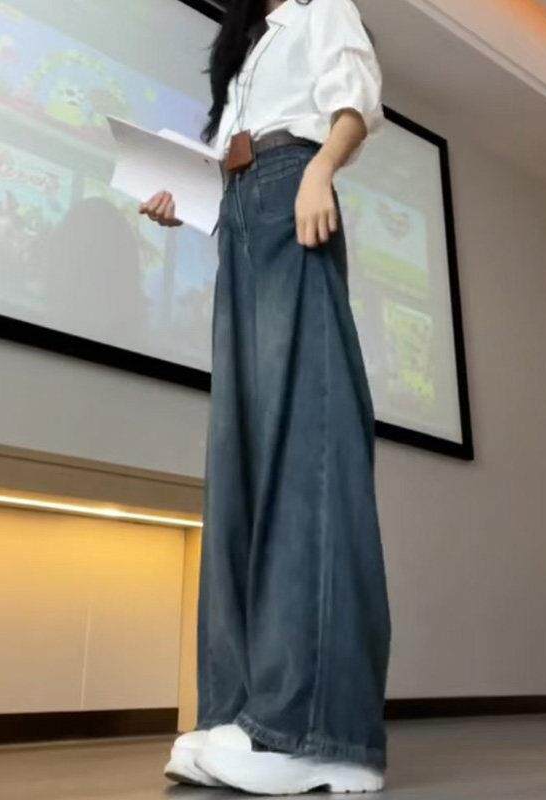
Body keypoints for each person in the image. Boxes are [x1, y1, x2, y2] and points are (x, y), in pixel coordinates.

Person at [141, 0, 391, 793]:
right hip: (241, 211)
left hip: (292, 190)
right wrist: (184, 203)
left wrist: (319, 172)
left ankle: (319, 731)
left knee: (306, 447)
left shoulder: (324, 8)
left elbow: (354, 99)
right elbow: (230, 158)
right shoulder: (249, 43)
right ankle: (240, 712)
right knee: (241, 462)